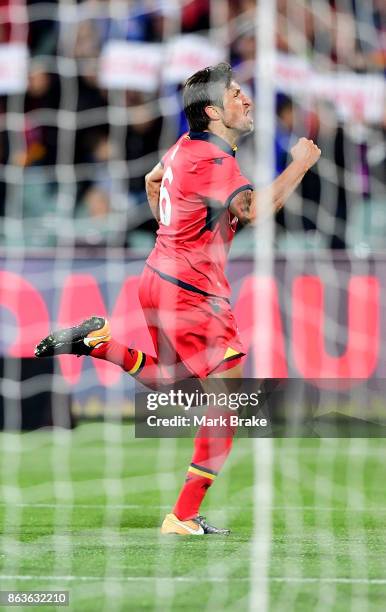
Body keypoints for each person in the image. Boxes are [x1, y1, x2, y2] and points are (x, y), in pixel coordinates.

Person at [35, 62, 321, 535]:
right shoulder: (213, 160)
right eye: (235, 95)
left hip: (158, 277)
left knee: (176, 384)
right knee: (230, 405)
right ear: (212, 110)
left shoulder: (185, 146)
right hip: (192, 292)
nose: (245, 101)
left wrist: (173, 234)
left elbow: (152, 180)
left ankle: (99, 344)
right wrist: (302, 163)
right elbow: (254, 211)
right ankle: (183, 516)